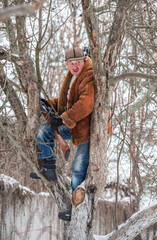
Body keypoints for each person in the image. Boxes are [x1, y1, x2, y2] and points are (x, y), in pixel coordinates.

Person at [30, 47, 94, 221]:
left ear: (84, 60)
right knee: (45, 130)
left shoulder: (88, 75)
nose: (74, 66)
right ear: (67, 64)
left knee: (78, 168)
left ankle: (77, 211)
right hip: (75, 124)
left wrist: (64, 118)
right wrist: (48, 103)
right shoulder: (73, 76)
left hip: (87, 129)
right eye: (71, 63)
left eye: (77, 62)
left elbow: (85, 105)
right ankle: (49, 167)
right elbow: (66, 101)